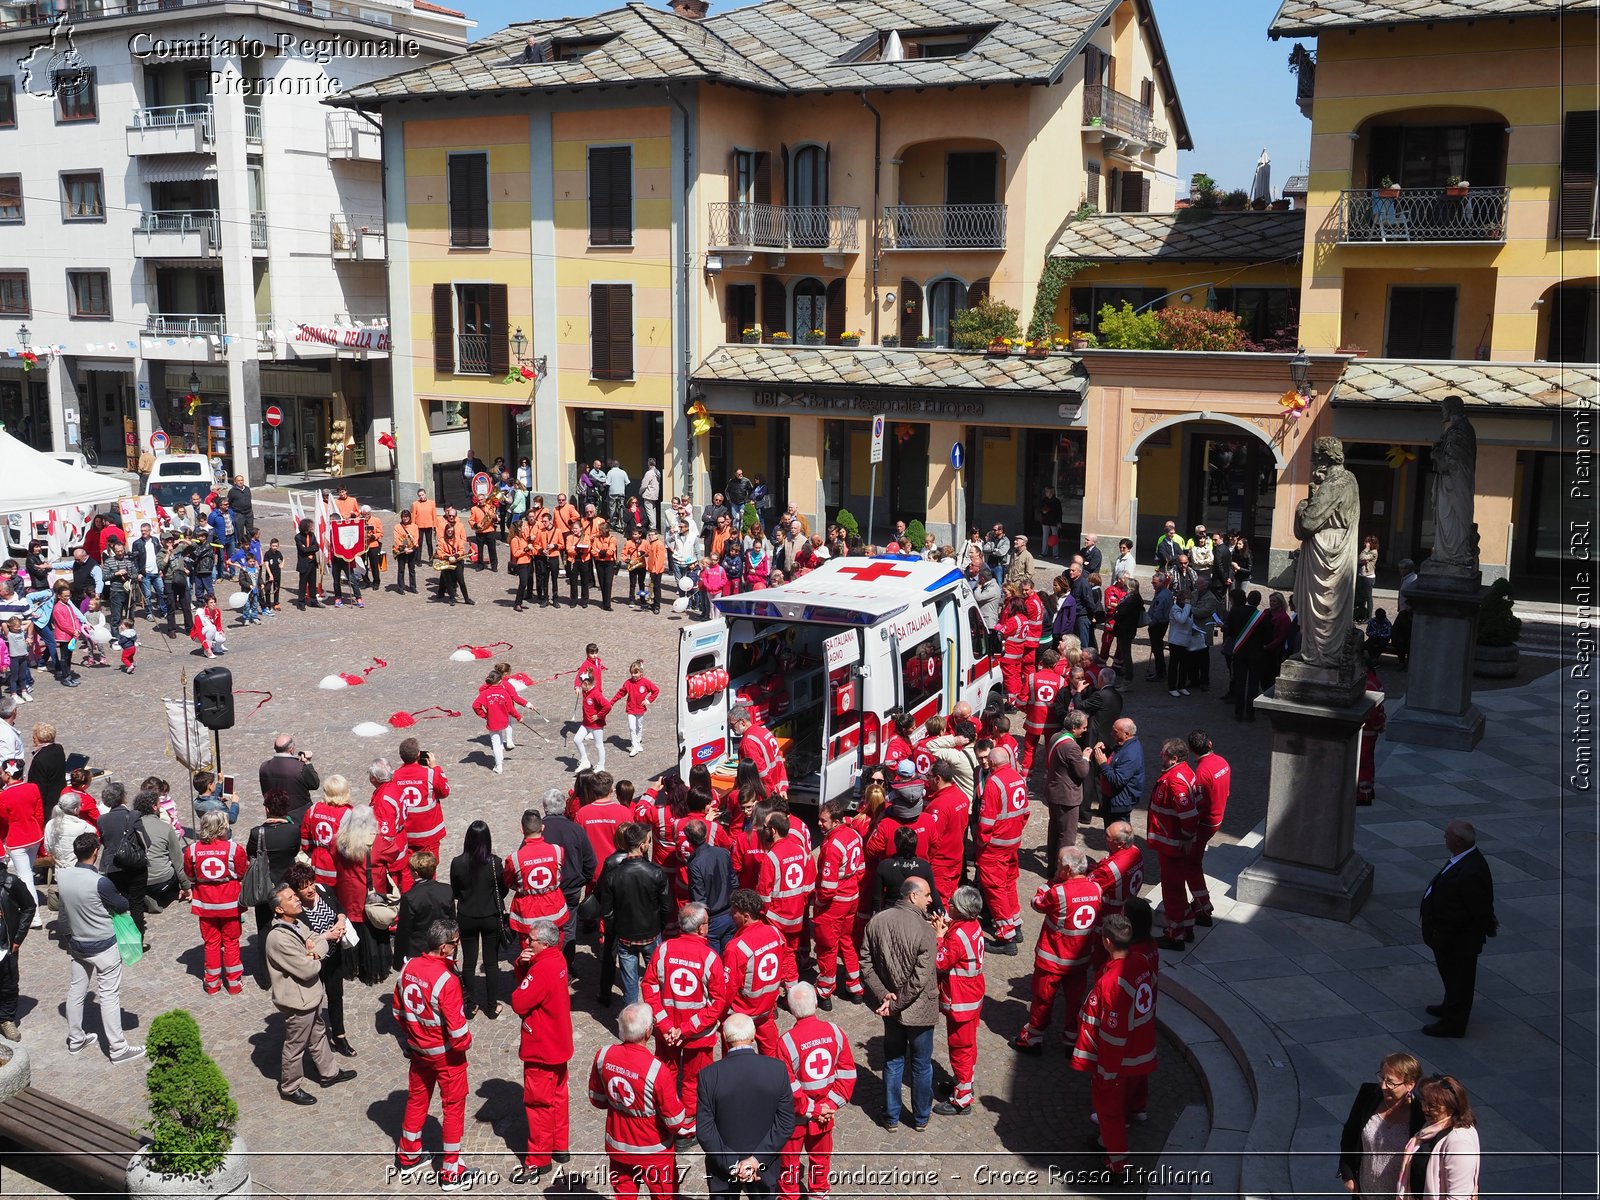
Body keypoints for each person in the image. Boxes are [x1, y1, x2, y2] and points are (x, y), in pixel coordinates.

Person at [393, 917, 481, 1190]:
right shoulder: (447, 980)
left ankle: (408, 1153)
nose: (458, 947)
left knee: (417, 1099)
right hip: (446, 1057)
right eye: (455, 943)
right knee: (453, 1110)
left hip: (419, 1051)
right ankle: (451, 1172)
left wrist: (416, 1036)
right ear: (444, 948)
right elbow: (457, 1033)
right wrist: (466, 1042)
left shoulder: (408, 968)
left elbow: (398, 1012)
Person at [1073, 913, 1157, 1183]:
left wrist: (1106, 1071)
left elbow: (1113, 1035)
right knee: (1124, 1101)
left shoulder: (1111, 983)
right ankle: (1118, 1131)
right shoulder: (1140, 962)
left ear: (1107, 941)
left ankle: (1117, 1164)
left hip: (1119, 1060)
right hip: (1141, 1047)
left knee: (1108, 1111)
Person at [641, 901, 727, 1143]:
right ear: (700, 929)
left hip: (667, 1033)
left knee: (667, 1075)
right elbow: (718, 1003)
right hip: (698, 1035)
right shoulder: (710, 958)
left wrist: (667, 1026)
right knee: (693, 1080)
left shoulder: (664, 950)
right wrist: (686, 1029)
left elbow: (649, 987)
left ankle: (666, 1117)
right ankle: (687, 1125)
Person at [56, 833, 144, 1063]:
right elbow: (122, 904)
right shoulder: (100, 882)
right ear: (95, 852)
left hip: (77, 944)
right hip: (104, 945)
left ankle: (75, 1039)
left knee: (76, 992)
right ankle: (117, 1049)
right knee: (109, 996)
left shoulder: (62, 876)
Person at [861, 876, 938, 1131]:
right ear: (913, 896)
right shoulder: (925, 929)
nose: (930, 900)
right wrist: (896, 1004)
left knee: (893, 1062)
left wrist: (884, 995)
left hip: (890, 1009)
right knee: (921, 1064)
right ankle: (920, 1117)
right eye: (927, 895)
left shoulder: (876, 921)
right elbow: (920, 978)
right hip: (918, 1011)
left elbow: (865, 963)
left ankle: (891, 1116)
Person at [265, 882, 354, 1103]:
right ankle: (290, 1087)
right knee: (295, 1045)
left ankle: (329, 1073)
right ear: (279, 909)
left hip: (310, 996)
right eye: (290, 898)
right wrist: (317, 952)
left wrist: (315, 947)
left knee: (318, 1034)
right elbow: (309, 968)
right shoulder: (279, 938)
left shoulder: (296, 924)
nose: (297, 899)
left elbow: (315, 937)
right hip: (298, 1001)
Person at [589, 1003, 686, 1200]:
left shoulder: (603, 1056)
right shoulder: (658, 1071)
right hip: (655, 1152)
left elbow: (597, 1100)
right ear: (648, 1031)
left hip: (618, 1146)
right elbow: (675, 1122)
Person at [695, 1011, 795, 1198]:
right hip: (764, 1167)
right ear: (754, 1034)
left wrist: (733, 1164)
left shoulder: (708, 1075)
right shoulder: (777, 1070)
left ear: (724, 1037)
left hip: (723, 1171)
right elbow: (785, 1123)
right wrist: (756, 1161)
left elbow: (705, 1130)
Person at [1012, 846, 1101, 1052]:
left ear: (1068, 869)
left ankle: (1033, 1038)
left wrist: (1048, 884)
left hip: (1053, 959)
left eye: (1059, 865)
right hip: (1079, 960)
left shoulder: (1058, 892)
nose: (1056, 868)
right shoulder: (1096, 889)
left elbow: (1037, 904)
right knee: (1074, 1001)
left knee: (1043, 1000)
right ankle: (1072, 1039)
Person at [1418, 820, 1497, 1038]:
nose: (1444, 837)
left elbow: (1478, 907)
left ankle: (1454, 1022)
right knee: (1451, 975)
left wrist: (1488, 926)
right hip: (1447, 935)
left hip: (1458, 939)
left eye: (1448, 835)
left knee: (1460, 978)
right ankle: (1449, 1005)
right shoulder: (1463, 859)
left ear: (1459, 841)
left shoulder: (1472, 870)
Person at [776, 983, 853, 1200]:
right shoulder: (835, 1033)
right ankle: (819, 1194)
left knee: (789, 1164)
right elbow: (847, 1074)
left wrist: (813, 1109)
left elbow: (787, 1087)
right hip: (824, 1116)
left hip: (796, 1118)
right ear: (817, 1003)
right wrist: (829, 1106)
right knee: (820, 1160)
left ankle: (789, 1197)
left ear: (791, 1010)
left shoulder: (786, 1042)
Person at [510, 918, 573, 1184]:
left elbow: (519, 1001)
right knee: (558, 1096)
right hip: (559, 1042)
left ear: (543, 943)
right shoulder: (557, 959)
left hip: (541, 1046)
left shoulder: (541, 968)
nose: (526, 943)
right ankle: (559, 1146)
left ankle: (538, 1158)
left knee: (538, 1103)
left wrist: (522, 966)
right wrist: (524, 964)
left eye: (531, 940)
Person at [595, 822, 672, 1008]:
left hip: (625, 937)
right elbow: (666, 907)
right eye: (648, 841)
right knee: (658, 979)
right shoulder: (656, 873)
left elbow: (607, 911)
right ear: (642, 845)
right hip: (651, 934)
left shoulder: (614, 875)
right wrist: (658, 927)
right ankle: (660, 1014)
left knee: (630, 987)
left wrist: (617, 928)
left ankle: (633, 1023)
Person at [1339, 1052, 1425, 1198]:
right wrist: (1348, 1174)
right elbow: (1350, 1134)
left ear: (1410, 1085)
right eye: (1382, 1078)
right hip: (1364, 1191)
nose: (1383, 1086)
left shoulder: (1421, 1113)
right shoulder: (1369, 1095)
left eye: (1391, 1082)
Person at [183, 810, 248, 996]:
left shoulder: (192, 850)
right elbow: (242, 872)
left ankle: (212, 984)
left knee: (211, 943)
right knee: (232, 942)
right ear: (223, 827)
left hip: (205, 905)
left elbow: (189, 875)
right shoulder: (234, 849)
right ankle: (234, 983)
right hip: (230, 904)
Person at [974, 745, 1028, 953]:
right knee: (1009, 884)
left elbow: (986, 822)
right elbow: (1025, 813)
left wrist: (981, 843)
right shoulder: (1018, 778)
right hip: (1012, 843)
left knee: (996, 889)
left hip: (994, 847)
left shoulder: (994, 782)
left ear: (994, 763)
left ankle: (1006, 937)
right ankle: (1016, 925)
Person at [811, 799, 864, 1009]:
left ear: (835, 821)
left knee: (826, 948)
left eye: (823, 821)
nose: (819, 824)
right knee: (847, 942)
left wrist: (819, 903)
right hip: (851, 898)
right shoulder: (854, 835)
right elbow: (861, 869)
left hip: (833, 905)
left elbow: (827, 887)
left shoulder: (833, 846)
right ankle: (855, 987)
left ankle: (825, 991)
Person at [450, 820, 505, 1019]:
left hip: (467, 916)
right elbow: (503, 889)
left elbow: (455, 892)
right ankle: (491, 1006)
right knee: (491, 962)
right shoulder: (495, 862)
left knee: (469, 962)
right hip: (490, 916)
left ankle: (470, 1005)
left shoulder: (457, 862)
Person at [1147, 738, 1199, 950]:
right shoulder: (1183, 772)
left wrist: (1186, 838)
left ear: (1174, 758)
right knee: (1177, 888)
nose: (1161, 756)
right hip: (1171, 843)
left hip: (1171, 845)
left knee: (1172, 889)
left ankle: (1174, 935)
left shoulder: (1175, 780)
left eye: (1164, 754)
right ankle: (1186, 927)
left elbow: (1188, 815)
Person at [723, 888, 786, 1057]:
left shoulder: (736, 948)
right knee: (772, 1056)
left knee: (734, 1061)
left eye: (734, 911)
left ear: (746, 916)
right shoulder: (775, 933)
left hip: (741, 1016)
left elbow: (728, 989)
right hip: (767, 1012)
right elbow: (786, 963)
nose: (730, 915)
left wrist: (721, 1015)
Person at [1395, 1076, 1479, 1199]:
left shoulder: (1459, 1142)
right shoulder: (1431, 1127)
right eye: (1423, 1101)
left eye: (1432, 1106)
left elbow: (1457, 1197)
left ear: (1451, 1107)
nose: (1424, 1108)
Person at [755, 812, 813, 985]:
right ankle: (791, 987)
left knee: (782, 956)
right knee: (790, 952)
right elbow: (809, 885)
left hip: (777, 918)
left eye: (765, 828)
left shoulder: (771, 858)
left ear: (773, 830)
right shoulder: (801, 851)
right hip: (797, 916)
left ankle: (789, 989)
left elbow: (763, 895)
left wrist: (764, 914)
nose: (763, 830)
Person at [1186, 730, 1230, 927]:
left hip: (1204, 823)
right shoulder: (1222, 761)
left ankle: (1203, 906)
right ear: (1210, 743)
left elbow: (1199, 804)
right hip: (1217, 817)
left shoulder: (1202, 772)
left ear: (1191, 750)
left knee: (1192, 864)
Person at [1043, 710, 1090, 866]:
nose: (1085, 730)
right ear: (1074, 727)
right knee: (1067, 836)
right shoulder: (1072, 747)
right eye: (1083, 727)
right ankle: (1062, 870)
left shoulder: (1056, 737)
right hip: (1067, 796)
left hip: (1053, 792)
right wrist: (1085, 757)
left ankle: (1052, 866)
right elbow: (1082, 772)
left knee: (1054, 831)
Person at [394, 850, 454, 968]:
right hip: (442, 947)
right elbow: (452, 922)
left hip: (418, 951)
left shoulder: (410, 897)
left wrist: (398, 960)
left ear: (415, 873)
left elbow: (404, 930)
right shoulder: (447, 890)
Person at [0, 848, 35, 1042]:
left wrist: (18, 937)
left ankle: (6, 1019)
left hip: (5, 944)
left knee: (8, 984)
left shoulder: (11, 883)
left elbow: (29, 906)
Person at [684, 818, 734, 954]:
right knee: (728, 955)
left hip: (713, 920)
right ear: (705, 835)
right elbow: (734, 881)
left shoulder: (695, 865)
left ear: (689, 841)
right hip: (730, 914)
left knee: (714, 960)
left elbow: (699, 899)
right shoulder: (723, 853)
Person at [394, 738, 449, 857]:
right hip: (429, 835)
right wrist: (435, 768)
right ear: (419, 755)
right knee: (428, 868)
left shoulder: (394, 777)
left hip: (406, 835)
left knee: (408, 869)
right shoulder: (430, 773)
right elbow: (444, 791)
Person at [1093, 717, 1145, 828]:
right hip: (1112, 799)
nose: (1111, 734)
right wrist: (1107, 750)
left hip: (1119, 804)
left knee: (1118, 835)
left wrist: (1103, 764)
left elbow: (1118, 780)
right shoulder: (1124, 744)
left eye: (1115, 732)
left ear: (1127, 734)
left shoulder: (1130, 754)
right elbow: (1117, 757)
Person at [259, 735, 321, 818]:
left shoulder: (264, 767)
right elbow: (314, 784)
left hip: (274, 814)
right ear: (291, 749)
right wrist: (308, 763)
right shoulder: (300, 768)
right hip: (299, 815)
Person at [612, 660, 661, 758]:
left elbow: (655, 690)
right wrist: (611, 702)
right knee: (632, 727)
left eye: (635, 673)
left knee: (639, 726)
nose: (633, 675)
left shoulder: (645, 682)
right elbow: (620, 693)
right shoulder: (628, 683)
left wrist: (648, 700)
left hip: (640, 709)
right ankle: (634, 745)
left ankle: (638, 742)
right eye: (632, 673)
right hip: (630, 709)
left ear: (641, 673)